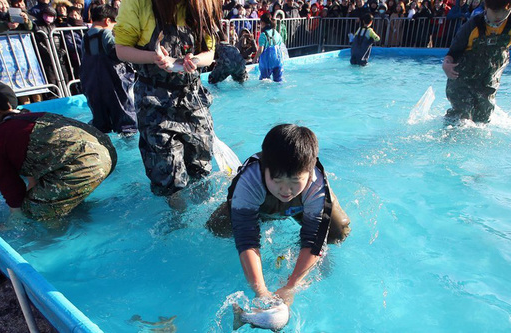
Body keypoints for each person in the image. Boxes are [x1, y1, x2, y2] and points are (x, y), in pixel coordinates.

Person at [206, 124, 351, 306]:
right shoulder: (250, 180)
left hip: (302, 205)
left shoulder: (316, 185)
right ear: (264, 168)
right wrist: (260, 290)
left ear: (309, 171)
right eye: (277, 180)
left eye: (294, 181)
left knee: (337, 232)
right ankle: (266, 213)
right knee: (217, 228)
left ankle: (309, 259)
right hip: (261, 205)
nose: (285, 190)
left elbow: (314, 239)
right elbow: (247, 240)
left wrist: (291, 286)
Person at [0, 93, 117, 220]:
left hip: (89, 163)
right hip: (106, 150)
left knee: (34, 212)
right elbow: (33, 179)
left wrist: (13, 228)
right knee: (47, 198)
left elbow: (15, 198)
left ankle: (62, 242)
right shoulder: (9, 127)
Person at [113, 0, 221, 196]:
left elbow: (209, 52)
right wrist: (153, 57)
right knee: (168, 175)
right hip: (154, 102)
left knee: (201, 165)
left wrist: (195, 60)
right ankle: (178, 220)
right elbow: (121, 50)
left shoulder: (204, 4)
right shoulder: (139, 3)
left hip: (194, 99)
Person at [442, 0, 511, 123]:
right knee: (462, 115)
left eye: (504, 12)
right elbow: (452, 53)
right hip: (462, 76)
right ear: (486, 7)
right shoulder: (473, 25)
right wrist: (446, 64)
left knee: (483, 117)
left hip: (489, 75)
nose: (499, 17)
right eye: (495, 13)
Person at [80, 5, 137, 134]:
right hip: (113, 83)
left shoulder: (86, 37)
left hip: (92, 84)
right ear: (107, 21)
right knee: (125, 121)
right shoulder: (106, 34)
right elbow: (118, 54)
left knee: (101, 122)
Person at [253, 12, 285, 82]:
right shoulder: (276, 32)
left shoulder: (263, 35)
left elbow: (261, 50)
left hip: (267, 62)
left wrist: (254, 59)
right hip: (278, 60)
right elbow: (280, 45)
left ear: (262, 23)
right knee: (278, 80)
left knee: (264, 81)